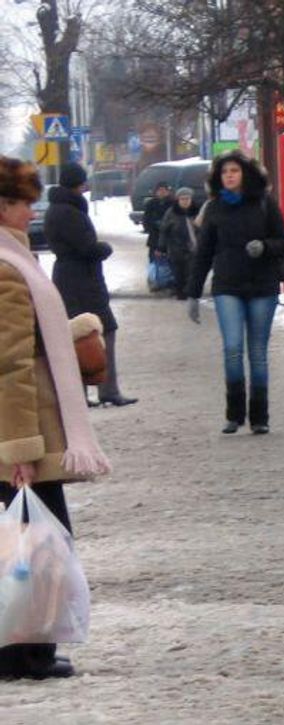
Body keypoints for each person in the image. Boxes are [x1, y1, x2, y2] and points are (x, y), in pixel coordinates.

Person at [0, 156, 113, 679]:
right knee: (36, 545)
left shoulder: (13, 257)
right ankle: (23, 653)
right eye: (24, 203)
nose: (32, 212)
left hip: (17, 430)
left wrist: (70, 335)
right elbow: (10, 366)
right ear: (3, 206)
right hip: (19, 434)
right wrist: (20, 451)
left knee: (30, 544)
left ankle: (26, 649)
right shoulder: (6, 268)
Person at [186, 150, 284, 435]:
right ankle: (234, 415)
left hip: (262, 285)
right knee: (233, 348)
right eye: (225, 172)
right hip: (227, 286)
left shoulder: (264, 203)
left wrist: (265, 246)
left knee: (257, 352)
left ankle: (259, 417)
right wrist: (193, 293)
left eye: (234, 171)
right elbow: (203, 253)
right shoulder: (214, 208)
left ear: (245, 174)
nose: (229, 176)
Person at [44, 162, 137, 408]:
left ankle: (81, 393)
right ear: (77, 184)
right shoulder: (69, 212)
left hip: (68, 278)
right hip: (82, 280)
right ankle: (108, 389)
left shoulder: (57, 209)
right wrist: (104, 248)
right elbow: (86, 247)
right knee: (104, 330)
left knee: (76, 334)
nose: (86, 186)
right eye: (83, 181)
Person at [157, 187, 199, 300]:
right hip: (175, 248)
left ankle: (189, 292)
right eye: (182, 199)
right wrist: (161, 247)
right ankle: (180, 293)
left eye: (187, 199)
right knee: (178, 272)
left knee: (191, 271)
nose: (185, 201)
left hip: (193, 248)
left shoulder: (196, 211)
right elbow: (164, 231)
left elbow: (203, 229)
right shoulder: (171, 213)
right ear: (178, 200)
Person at [142, 181, 173, 263]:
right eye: (160, 190)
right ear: (156, 191)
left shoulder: (173, 204)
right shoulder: (151, 203)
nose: (162, 192)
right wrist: (152, 227)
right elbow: (146, 219)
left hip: (170, 239)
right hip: (154, 237)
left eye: (164, 190)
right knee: (154, 262)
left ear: (168, 191)